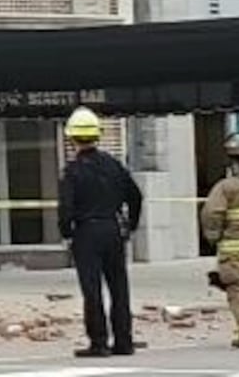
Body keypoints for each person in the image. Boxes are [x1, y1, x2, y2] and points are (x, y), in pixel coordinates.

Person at [57, 106, 143, 358]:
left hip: (87, 233)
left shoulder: (73, 171)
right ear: (98, 134)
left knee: (92, 289)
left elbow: (65, 208)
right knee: (119, 287)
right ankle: (124, 341)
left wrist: (67, 233)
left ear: (72, 138)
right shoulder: (113, 164)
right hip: (113, 229)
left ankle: (99, 342)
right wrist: (131, 225)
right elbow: (135, 196)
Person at [201, 133, 239, 348]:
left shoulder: (226, 187)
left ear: (232, 162)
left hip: (236, 253)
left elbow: (212, 214)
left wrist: (212, 238)